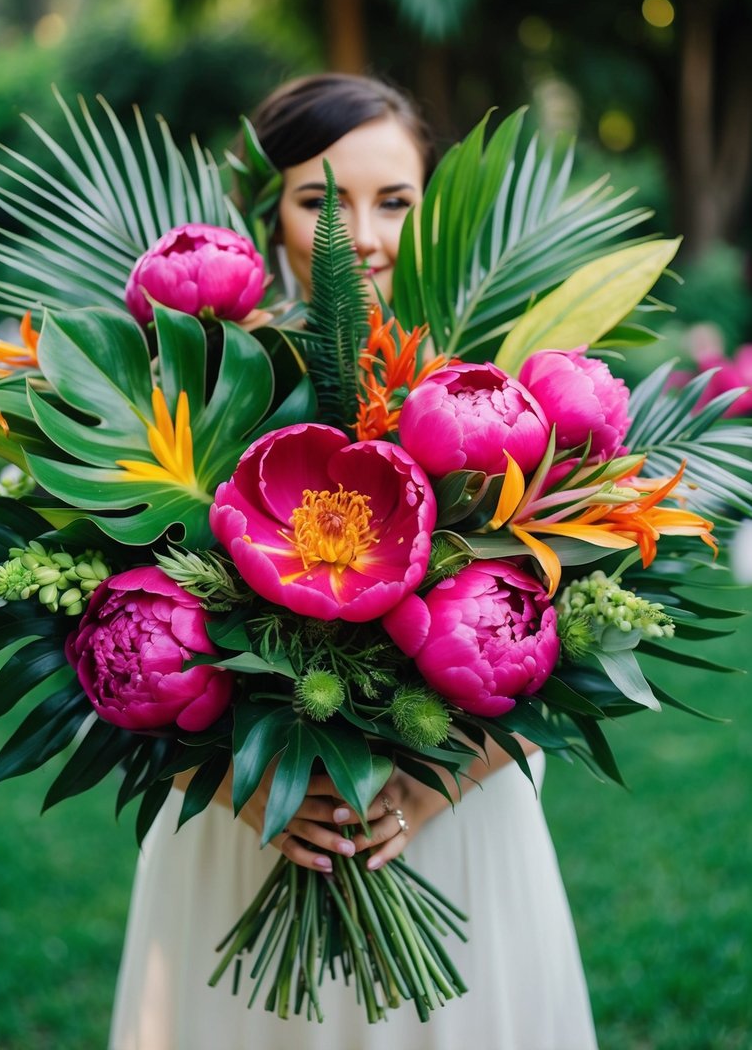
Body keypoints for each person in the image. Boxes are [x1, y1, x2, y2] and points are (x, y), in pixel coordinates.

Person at [109, 73, 599, 1050]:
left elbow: (570, 636)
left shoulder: (502, 396)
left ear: (430, 213)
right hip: (241, 830)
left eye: (394, 201)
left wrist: (431, 788)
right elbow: (118, 640)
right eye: (317, 200)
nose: (362, 236)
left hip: (454, 825)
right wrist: (244, 789)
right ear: (266, 211)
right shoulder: (183, 398)